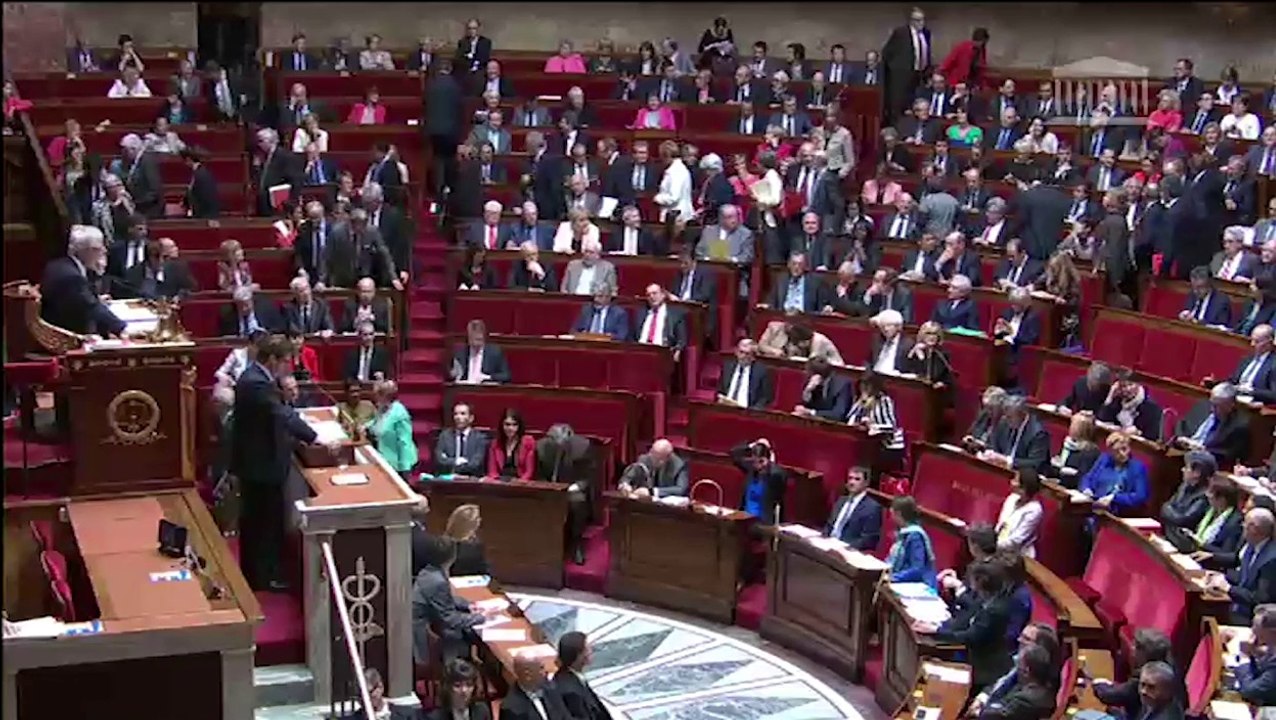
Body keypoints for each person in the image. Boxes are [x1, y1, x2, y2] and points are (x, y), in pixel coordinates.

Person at [232, 336, 321, 591]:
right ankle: (263, 577)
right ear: (271, 359)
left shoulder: (258, 378)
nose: (287, 367)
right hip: (259, 466)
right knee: (263, 523)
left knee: (262, 521)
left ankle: (261, 572)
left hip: (261, 462)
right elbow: (280, 414)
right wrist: (314, 437)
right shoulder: (255, 383)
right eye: (284, 361)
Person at [411, 534, 485, 665]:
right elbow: (450, 618)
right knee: (457, 634)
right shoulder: (437, 581)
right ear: (453, 557)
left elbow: (442, 599)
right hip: (423, 634)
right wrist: (482, 617)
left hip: (427, 622)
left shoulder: (428, 571)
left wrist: (467, 605)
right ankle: (453, 668)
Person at [1087, 629, 1184, 720]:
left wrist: (1097, 683)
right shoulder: (1171, 672)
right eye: (1142, 685)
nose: (1143, 691)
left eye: (1151, 687)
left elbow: (1111, 696)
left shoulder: (1154, 679)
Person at [534, 424, 594, 565]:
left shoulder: (582, 447)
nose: (558, 445)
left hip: (572, 488)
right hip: (550, 488)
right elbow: (539, 474)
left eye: (561, 442)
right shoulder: (541, 447)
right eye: (555, 442)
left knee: (577, 501)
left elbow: (587, 477)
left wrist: (573, 487)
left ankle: (576, 543)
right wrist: (547, 486)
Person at [1210, 507, 1276, 624]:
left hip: (1253, 619)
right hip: (1237, 607)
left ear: (1254, 528)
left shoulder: (1271, 560)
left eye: (1245, 524)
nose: (1242, 526)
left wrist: (1228, 588)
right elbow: (1244, 577)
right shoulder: (1251, 547)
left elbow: (1260, 599)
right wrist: (1222, 576)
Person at [1173, 382, 1250, 467]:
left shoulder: (1239, 426)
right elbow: (1183, 423)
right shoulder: (1202, 405)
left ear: (1231, 405)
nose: (1212, 409)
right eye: (1212, 403)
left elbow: (1230, 455)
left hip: (1205, 466)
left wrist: (1204, 450)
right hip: (1183, 454)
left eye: (1217, 406)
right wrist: (1181, 439)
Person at [1079, 431, 1150, 516]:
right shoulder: (1104, 460)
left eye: (1124, 449)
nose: (1122, 454)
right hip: (1094, 508)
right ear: (1110, 451)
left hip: (1119, 514)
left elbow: (1140, 497)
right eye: (1116, 451)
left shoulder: (1137, 467)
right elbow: (1088, 478)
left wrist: (1114, 498)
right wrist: (1086, 489)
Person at [983, 395, 1052, 475]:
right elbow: (993, 444)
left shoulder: (1038, 433)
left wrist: (1006, 461)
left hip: (1024, 477)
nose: (1006, 420)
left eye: (1010, 417)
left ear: (1023, 414)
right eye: (1005, 415)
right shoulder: (1004, 422)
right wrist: (990, 453)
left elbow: (1035, 463)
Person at [846, 371, 906, 459]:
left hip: (888, 445)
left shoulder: (884, 401)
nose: (864, 388)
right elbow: (850, 420)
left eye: (867, 385)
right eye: (863, 385)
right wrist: (862, 405)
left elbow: (892, 426)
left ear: (875, 386)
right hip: (867, 443)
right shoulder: (860, 401)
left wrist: (873, 426)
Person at [727, 439, 788, 524]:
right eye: (754, 461)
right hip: (745, 517)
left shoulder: (774, 475)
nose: (756, 465)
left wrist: (771, 462)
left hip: (763, 522)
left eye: (760, 461)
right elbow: (733, 454)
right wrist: (751, 445)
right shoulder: (751, 469)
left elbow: (782, 476)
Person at [553, 631, 610, 720]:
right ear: (578, 656)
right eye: (587, 649)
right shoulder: (570, 691)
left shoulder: (571, 677)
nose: (591, 651)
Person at [1096, 368, 1164, 440]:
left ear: (1138, 384)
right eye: (1124, 386)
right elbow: (1102, 420)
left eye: (1131, 385)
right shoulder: (1117, 401)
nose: (1128, 389)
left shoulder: (1150, 407)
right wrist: (1110, 396)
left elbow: (1152, 435)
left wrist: (1138, 432)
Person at [366, 380, 416, 476]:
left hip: (397, 463)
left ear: (385, 396)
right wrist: (366, 426)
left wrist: (404, 468)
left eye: (377, 395)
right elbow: (377, 422)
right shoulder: (383, 409)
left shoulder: (399, 413)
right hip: (384, 459)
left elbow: (404, 441)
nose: (375, 398)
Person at [825, 466, 882, 550]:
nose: (852, 482)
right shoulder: (841, 500)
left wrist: (845, 548)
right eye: (850, 478)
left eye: (857, 479)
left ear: (866, 483)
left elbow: (869, 539)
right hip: (828, 545)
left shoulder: (872, 508)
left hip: (848, 551)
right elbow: (829, 525)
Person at [501, 654, 572, 720]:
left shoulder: (550, 687)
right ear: (528, 675)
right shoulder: (511, 709)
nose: (546, 671)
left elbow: (565, 715)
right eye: (541, 668)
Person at [1160, 449, 1216, 533]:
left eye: (1186, 467)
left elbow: (1183, 520)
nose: (1182, 469)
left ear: (1197, 473)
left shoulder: (1205, 496)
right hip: (1169, 532)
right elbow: (1165, 506)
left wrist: (1169, 512)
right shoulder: (1184, 486)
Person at [887, 496, 937, 588]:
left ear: (898, 513)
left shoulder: (915, 536)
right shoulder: (902, 532)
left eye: (892, 513)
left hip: (915, 585)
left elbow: (917, 569)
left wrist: (893, 578)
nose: (891, 517)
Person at [1234, 605, 1276, 706]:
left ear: (1272, 632)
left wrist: (1245, 658)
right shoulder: (1271, 646)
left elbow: (1249, 691)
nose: (1252, 630)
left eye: (1256, 627)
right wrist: (1253, 651)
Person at [619, 439, 689, 499]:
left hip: (666, 507)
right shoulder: (645, 458)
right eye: (652, 453)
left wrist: (652, 491)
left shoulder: (679, 465)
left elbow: (681, 489)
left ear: (667, 458)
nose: (652, 458)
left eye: (658, 457)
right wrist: (625, 484)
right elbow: (629, 476)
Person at [426, 658, 492, 720]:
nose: (464, 690)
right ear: (447, 688)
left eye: (469, 685)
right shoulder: (434, 718)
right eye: (457, 686)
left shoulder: (482, 710)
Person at [434, 403, 489, 477]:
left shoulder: (479, 438)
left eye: (463, 414)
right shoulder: (445, 436)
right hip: (449, 479)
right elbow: (439, 460)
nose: (458, 417)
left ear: (471, 418)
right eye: (456, 414)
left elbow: (476, 464)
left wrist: (451, 463)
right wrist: (456, 461)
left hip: (471, 480)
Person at [717, 338, 774, 410]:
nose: (743, 356)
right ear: (736, 352)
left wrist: (754, 410)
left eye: (747, 354)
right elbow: (720, 390)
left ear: (753, 357)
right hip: (726, 408)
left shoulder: (761, 371)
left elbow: (766, 397)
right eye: (741, 352)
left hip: (747, 411)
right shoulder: (727, 367)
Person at [450, 319, 511, 384]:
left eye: (480, 340)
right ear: (469, 338)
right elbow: (452, 375)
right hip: (465, 389)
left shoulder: (494, 352)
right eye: (474, 340)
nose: (477, 344)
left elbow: (506, 376)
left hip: (484, 390)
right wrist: (453, 374)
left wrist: (488, 377)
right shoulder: (460, 353)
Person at [1049, 412, 1101, 487]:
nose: (1070, 427)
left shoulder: (1091, 451)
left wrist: (1064, 472)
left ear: (1083, 429)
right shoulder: (1068, 443)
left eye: (1074, 425)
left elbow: (1082, 477)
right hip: (1059, 482)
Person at [793, 357, 853, 421]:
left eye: (807, 372)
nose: (805, 373)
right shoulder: (811, 383)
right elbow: (802, 406)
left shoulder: (842, 385)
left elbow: (838, 414)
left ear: (817, 376)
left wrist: (811, 412)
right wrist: (808, 391)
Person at [486, 408, 536, 481]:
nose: (510, 428)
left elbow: (529, 472)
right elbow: (492, 471)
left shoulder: (528, 442)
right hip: (501, 482)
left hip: (520, 483)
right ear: (502, 425)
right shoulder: (495, 444)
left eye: (514, 424)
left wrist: (519, 483)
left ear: (519, 426)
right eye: (507, 424)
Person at [444, 504, 490, 578]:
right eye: (477, 518)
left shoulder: (442, 542)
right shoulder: (474, 547)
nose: (480, 520)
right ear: (472, 523)